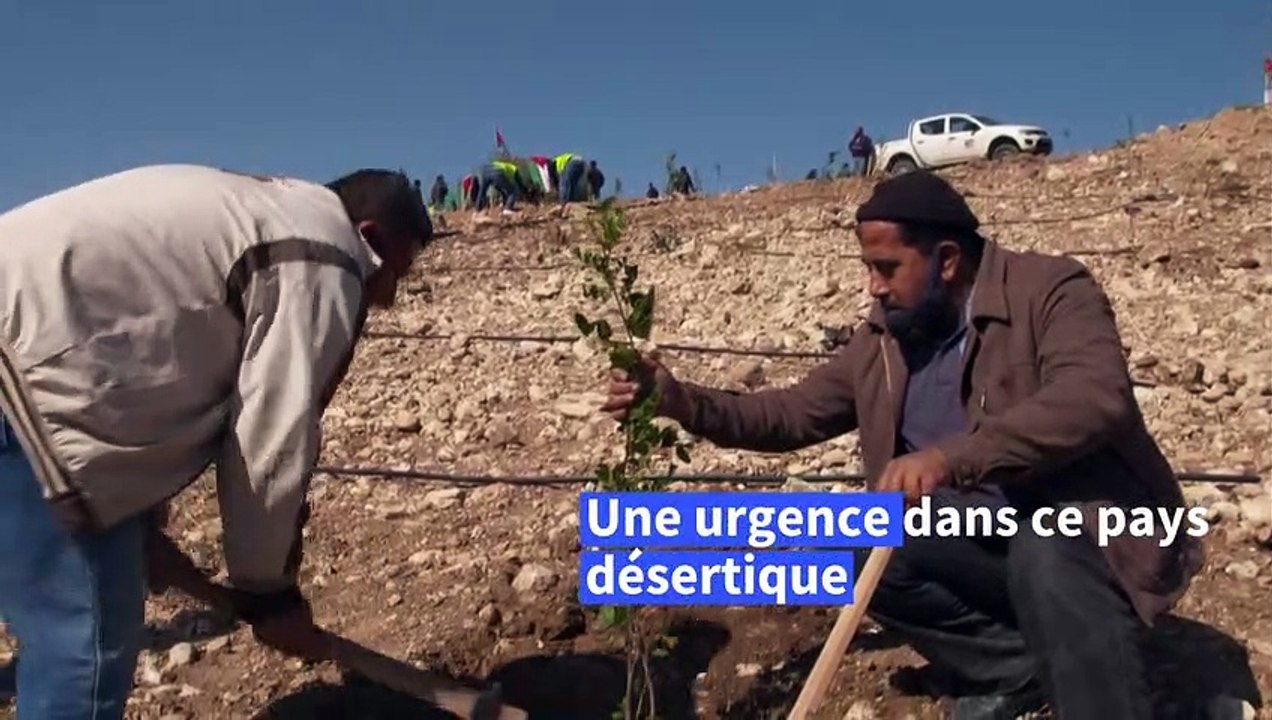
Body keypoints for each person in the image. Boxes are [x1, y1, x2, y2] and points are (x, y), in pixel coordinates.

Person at [600, 170, 1205, 720]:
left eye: (886, 268)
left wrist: (948, 458)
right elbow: (787, 414)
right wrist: (682, 402)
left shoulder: (1049, 290)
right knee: (856, 535)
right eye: (868, 269)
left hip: (1095, 540)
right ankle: (1020, 667)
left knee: (1044, 547)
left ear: (945, 260)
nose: (874, 289)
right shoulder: (887, 342)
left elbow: (1094, 397)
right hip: (989, 547)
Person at [0, 164, 431, 719]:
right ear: (369, 236)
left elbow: (142, 352)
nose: (389, 297)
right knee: (85, 642)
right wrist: (267, 592)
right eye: (397, 271)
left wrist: (139, 519)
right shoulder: (325, 257)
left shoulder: (264, 215)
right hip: (23, 378)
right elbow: (270, 441)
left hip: (27, 353)